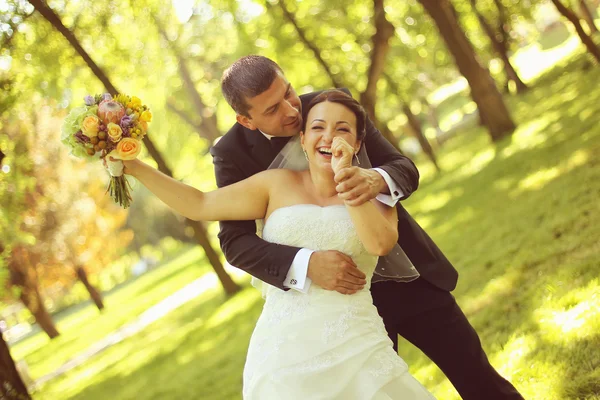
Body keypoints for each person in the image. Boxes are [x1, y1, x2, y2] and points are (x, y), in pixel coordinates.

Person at [210, 55, 524, 399]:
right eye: (271, 110)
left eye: (289, 92)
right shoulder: (231, 153)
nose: (290, 110)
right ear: (246, 120)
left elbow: (402, 167)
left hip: (410, 277)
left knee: (479, 379)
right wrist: (307, 264)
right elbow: (234, 242)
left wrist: (376, 179)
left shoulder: (333, 105)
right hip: (339, 307)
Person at [120, 90, 435, 399]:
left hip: (358, 344)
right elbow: (200, 204)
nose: (328, 137)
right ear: (302, 139)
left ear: (357, 143)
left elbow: (380, 243)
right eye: (317, 128)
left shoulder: (373, 191)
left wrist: (345, 175)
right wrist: (135, 166)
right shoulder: (274, 185)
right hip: (283, 354)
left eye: (342, 130)